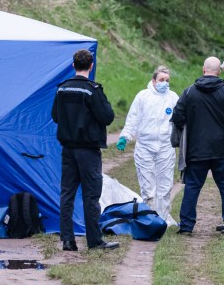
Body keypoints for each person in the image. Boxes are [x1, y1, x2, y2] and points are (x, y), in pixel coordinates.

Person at [170, 56, 224, 235]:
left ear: (203, 70)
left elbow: (178, 117)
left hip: (196, 149)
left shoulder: (189, 92)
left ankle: (186, 226)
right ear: (219, 71)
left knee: (192, 187)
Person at [51, 49, 119, 251]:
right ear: (91, 66)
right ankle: (94, 241)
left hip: (67, 149)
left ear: (73, 65)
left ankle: (67, 240)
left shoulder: (61, 90)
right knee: (90, 195)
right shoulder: (93, 90)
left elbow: (55, 116)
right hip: (88, 149)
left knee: (67, 194)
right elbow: (107, 117)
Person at [116, 66, 179, 224]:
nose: (164, 83)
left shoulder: (173, 97)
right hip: (145, 146)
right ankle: (150, 219)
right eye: (161, 80)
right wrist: (125, 136)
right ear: (153, 81)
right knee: (148, 186)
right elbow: (133, 119)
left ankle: (162, 219)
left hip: (166, 146)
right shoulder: (143, 97)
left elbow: (180, 121)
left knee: (165, 186)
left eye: (167, 80)